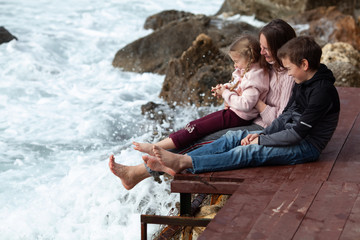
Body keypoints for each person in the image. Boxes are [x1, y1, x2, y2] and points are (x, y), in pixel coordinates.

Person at [109, 19, 296, 190]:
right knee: (193, 132)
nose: (261, 53)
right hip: (248, 118)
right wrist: (233, 95)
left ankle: (137, 173)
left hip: (260, 128)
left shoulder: (290, 77)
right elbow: (247, 87)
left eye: (265, 48)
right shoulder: (268, 66)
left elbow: (279, 121)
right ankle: (138, 172)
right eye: (261, 47)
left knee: (199, 141)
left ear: (280, 48)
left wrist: (255, 104)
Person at [142, 36, 340, 176]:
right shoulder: (303, 81)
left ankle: (184, 162)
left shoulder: (322, 92)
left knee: (248, 151)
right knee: (234, 137)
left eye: (289, 69)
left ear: (304, 64)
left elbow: (297, 134)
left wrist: (261, 142)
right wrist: (263, 134)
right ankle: (178, 162)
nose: (287, 74)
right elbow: (286, 115)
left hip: (307, 146)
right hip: (290, 135)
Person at [133, 34, 269, 153]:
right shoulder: (248, 71)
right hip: (234, 113)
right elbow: (239, 84)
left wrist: (226, 93)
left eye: (236, 61)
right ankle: (158, 146)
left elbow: (246, 104)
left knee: (196, 128)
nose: (234, 65)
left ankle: (156, 147)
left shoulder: (255, 79)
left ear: (250, 58)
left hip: (238, 116)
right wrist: (226, 87)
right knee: (193, 125)